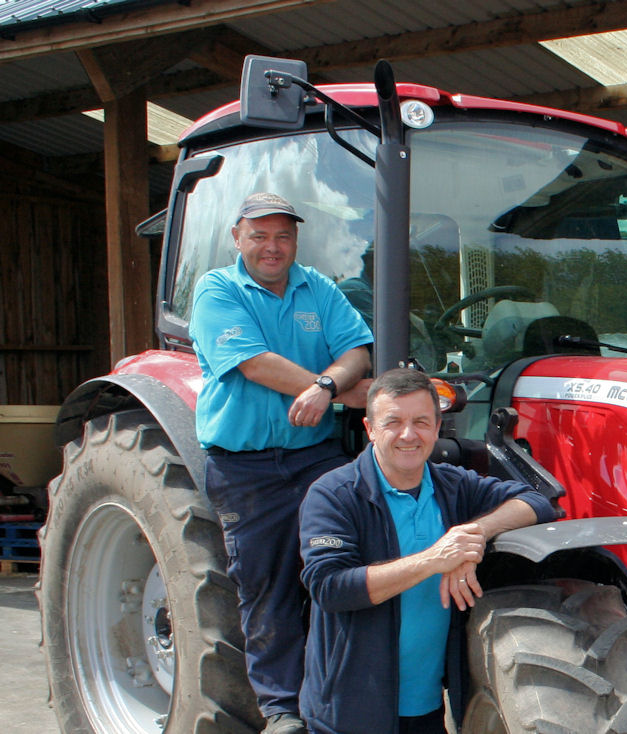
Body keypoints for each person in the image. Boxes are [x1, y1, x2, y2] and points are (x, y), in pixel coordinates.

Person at [190, 192, 374, 734]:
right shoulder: (218, 290)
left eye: (283, 236)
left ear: (295, 240)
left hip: (316, 456)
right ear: (237, 238)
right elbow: (252, 363)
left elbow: (357, 353)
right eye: (260, 236)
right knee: (267, 584)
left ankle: (337, 694)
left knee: (334, 571)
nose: (272, 247)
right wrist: (338, 394)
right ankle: (281, 710)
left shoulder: (318, 287)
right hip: (247, 468)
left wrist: (327, 384)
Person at [299, 368, 558, 734]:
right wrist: (434, 559)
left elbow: (538, 500)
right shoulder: (333, 495)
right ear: (370, 430)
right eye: (393, 422)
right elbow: (330, 587)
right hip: (351, 712)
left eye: (421, 422)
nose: (409, 435)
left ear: (437, 428)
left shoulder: (451, 484)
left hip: (428, 711)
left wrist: (473, 534)